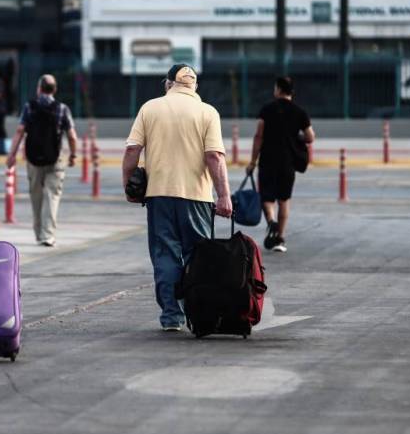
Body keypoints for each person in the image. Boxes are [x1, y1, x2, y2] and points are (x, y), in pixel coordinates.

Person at [122, 64, 232, 332]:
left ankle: (172, 316)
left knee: (165, 256)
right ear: (194, 86)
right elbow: (214, 157)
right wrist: (224, 196)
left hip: (159, 197)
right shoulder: (208, 112)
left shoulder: (150, 108)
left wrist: (129, 187)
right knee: (197, 257)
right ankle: (198, 312)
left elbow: (132, 150)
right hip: (197, 197)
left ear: (168, 83)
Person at [6, 74, 77, 247]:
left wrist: (12, 155)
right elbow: (72, 136)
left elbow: (19, 132)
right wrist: (73, 155)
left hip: (33, 158)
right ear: (54, 90)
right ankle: (48, 235)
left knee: (36, 196)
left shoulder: (29, 107)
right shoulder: (62, 108)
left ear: (39, 88)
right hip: (56, 158)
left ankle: (38, 233)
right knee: (52, 196)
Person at [246, 76, 315, 253]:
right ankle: (280, 239)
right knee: (284, 200)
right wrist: (295, 137)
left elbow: (258, 136)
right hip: (288, 163)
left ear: (277, 89)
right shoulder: (300, 112)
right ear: (292, 91)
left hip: (267, 161)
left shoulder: (266, 110)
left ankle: (271, 221)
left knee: (267, 198)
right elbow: (310, 137)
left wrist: (253, 161)